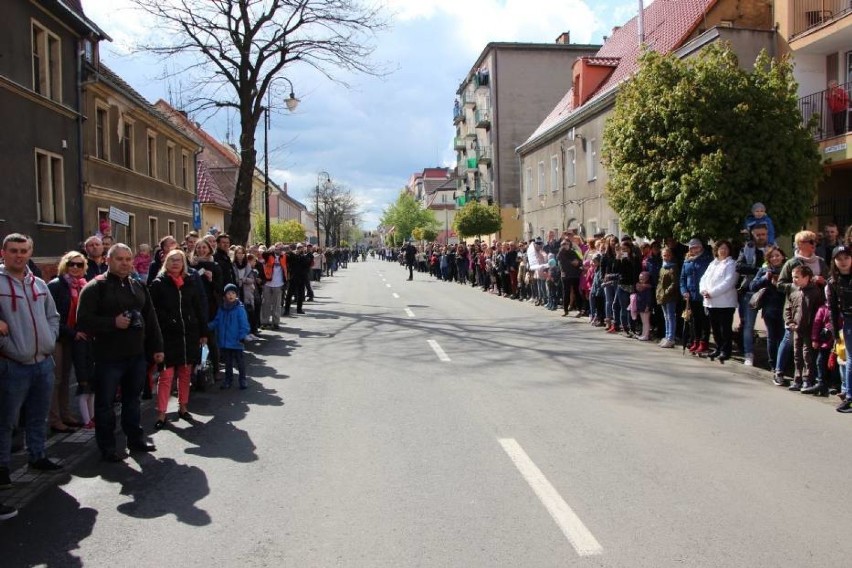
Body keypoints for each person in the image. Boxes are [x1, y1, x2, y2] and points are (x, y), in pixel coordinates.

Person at [77, 244, 163, 462]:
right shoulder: (95, 287)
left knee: (132, 401)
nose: (125, 263)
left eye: (128, 259)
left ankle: (135, 439)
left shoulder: (138, 285)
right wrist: (112, 323)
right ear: (108, 260)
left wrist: (157, 348)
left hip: (136, 355)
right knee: (105, 405)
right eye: (119, 259)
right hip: (107, 357)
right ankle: (108, 447)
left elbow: (151, 319)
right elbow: (83, 321)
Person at [0, 233, 63, 489]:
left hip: (43, 362)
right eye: (14, 250)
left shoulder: (38, 284)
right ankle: (2, 467)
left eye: (24, 250)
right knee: (6, 421)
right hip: (13, 363)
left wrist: (50, 338)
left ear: (30, 252)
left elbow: (53, 315)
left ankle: (37, 455)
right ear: (3, 253)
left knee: (38, 416)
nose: (19, 255)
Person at [149, 249, 207, 429]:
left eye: (179, 261)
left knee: (185, 373)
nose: (175, 263)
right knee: (166, 376)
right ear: (166, 262)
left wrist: (203, 332)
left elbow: (198, 308)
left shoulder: (190, 281)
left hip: (188, 334)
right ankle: (162, 413)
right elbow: (152, 312)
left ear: (184, 263)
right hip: (168, 336)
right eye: (172, 260)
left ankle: (183, 407)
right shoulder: (158, 284)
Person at [774, 231, 829, 386]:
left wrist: (822, 281)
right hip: (796, 307)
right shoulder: (792, 262)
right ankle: (779, 370)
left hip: (815, 309)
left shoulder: (821, 262)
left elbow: (828, 281)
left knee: (809, 345)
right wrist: (797, 285)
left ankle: (809, 377)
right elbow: (780, 284)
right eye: (809, 241)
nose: (813, 244)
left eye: (814, 241)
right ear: (800, 244)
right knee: (789, 339)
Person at [46, 251, 91, 433]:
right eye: (72, 264)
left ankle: (65, 414)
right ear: (65, 265)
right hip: (58, 337)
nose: (75, 268)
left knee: (65, 379)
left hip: (73, 337)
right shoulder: (56, 285)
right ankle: (54, 419)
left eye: (79, 265)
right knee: (56, 380)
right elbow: (52, 316)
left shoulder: (82, 285)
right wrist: (73, 333)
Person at [785, 265, 824, 391]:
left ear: (807, 278)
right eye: (793, 277)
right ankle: (797, 379)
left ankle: (808, 379)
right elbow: (788, 308)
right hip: (797, 329)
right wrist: (789, 322)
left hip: (810, 330)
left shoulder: (816, 292)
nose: (794, 280)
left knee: (807, 355)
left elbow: (820, 311)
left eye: (797, 277)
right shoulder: (793, 291)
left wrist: (816, 328)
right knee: (797, 354)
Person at [736, 223, 769, 366]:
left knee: (771, 325)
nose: (761, 237)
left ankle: (772, 356)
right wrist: (759, 270)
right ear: (753, 235)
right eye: (758, 234)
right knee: (748, 325)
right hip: (750, 291)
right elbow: (739, 266)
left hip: (769, 292)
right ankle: (748, 354)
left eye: (763, 234)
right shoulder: (747, 249)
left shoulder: (772, 248)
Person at [700, 240, 739, 361]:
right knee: (715, 327)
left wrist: (712, 293)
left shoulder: (732, 264)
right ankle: (718, 348)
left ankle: (725, 350)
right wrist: (704, 290)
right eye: (720, 248)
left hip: (725, 302)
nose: (723, 251)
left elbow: (729, 282)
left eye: (725, 249)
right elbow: (704, 279)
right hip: (711, 302)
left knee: (724, 328)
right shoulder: (713, 264)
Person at [750, 246, 787, 374]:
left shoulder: (788, 270)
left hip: (785, 308)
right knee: (771, 337)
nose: (775, 258)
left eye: (777, 255)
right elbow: (753, 286)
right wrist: (765, 278)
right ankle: (773, 363)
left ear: (783, 256)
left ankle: (782, 364)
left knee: (784, 337)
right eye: (772, 256)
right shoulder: (765, 270)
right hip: (769, 308)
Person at [209, 284, 250, 390]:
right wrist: (207, 327)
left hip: (237, 341)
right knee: (228, 363)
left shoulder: (239, 309)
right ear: (225, 295)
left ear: (236, 295)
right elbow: (217, 321)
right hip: (225, 342)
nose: (231, 295)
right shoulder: (222, 308)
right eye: (228, 293)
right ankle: (228, 380)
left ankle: (242, 379)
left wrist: (242, 337)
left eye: (233, 293)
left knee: (240, 362)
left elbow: (244, 325)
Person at [827, 246, 852, 411]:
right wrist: (836, 333)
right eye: (839, 259)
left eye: (846, 258)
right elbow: (833, 310)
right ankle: (849, 396)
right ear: (834, 262)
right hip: (849, 320)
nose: (843, 262)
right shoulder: (833, 282)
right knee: (851, 359)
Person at [680, 238, 713, 353]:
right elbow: (682, 279)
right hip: (691, 295)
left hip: (703, 295)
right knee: (694, 320)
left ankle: (704, 342)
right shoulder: (687, 261)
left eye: (696, 247)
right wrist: (684, 291)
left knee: (704, 320)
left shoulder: (707, 259)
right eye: (692, 247)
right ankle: (696, 341)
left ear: (701, 247)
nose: (694, 249)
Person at [808, 295, 834, 397]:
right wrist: (815, 339)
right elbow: (816, 325)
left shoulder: (840, 310)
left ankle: (833, 384)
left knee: (834, 365)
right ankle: (821, 383)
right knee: (820, 362)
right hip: (825, 342)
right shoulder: (823, 309)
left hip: (837, 343)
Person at [656, 247, 680, 348]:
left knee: (671, 317)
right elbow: (660, 281)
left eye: (668, 255)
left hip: (670, 296)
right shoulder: (662, 267)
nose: (666, 257)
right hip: (662, 295)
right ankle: (666, 336)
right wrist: (658, 292)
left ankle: (671, 338)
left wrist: (666, 291)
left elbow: (674, 282)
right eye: (664, 255)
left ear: (671, 255)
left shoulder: (673, 267)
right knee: (666, 317)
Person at [261, 243, 287, 330]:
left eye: (280, 248)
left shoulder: (284, 257)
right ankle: (265, 322)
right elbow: (263, 255)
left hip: (278, 284)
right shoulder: (268, 255)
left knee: (277, 304)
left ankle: (275, 322)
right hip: (268, 283)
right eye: (277, 248)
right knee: (266, 303)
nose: (278, 250)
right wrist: (270, 250)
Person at [284, 244, 312, 315]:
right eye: (299, 248)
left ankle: (299, 309)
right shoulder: (292, 256)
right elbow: (288, 259)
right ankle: (286, 310)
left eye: (301, 248)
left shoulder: (304, 256)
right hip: (293, 277)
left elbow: (308, 263)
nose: (300, 249)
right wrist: (294, 253)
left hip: (302, 277)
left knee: (301, 294)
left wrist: (302, 255)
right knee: (289, 294)